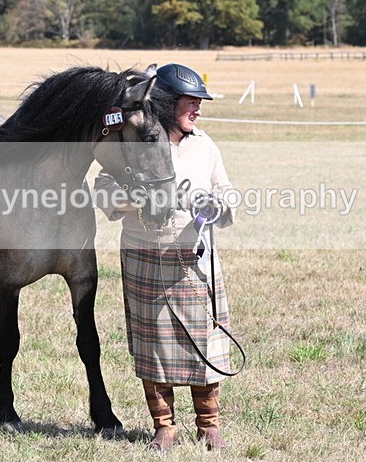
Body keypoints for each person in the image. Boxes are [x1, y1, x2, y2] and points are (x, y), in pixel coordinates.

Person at [94, 63, 236, 451]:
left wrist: (217, 204)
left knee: (204, 343)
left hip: (195, 260)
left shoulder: (205, 145)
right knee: (151, 345)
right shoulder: (130, 144)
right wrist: (135, 197)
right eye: (192, 102)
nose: (199, 110)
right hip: (144, 256)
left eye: (200, 103)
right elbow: (103, 193)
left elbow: (229, 192)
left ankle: (209, 424)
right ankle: (164, 426)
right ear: (168, 103)